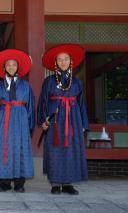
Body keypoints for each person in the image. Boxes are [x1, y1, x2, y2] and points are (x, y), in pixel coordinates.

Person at [38, 44, 88, 195]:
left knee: (70, 150)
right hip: (55, 119)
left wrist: (83, 124)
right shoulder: (49, 81)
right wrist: (43, 120)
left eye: (66, 59)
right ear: (56, 62)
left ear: (70, 61)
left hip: (73, 119)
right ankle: (55, 184)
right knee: (55, 149)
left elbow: (81, 104)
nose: (63, 62)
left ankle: (68, 184)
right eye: (60, 59)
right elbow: (43, 102)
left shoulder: (77, 82)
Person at [0, 49, 35, 192]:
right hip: (2, 121)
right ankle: (4, 183)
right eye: (8, 65)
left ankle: (20, 183)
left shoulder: (26, 86)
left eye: (14, 64)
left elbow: (31, 107)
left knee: (20, 149)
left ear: (18, 67)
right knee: (3, 149)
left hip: (21, 120)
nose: (11, 67)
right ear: (4, 68)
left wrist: (29, 125)